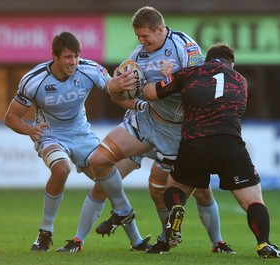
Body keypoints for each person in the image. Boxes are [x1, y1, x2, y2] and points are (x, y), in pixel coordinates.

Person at [60, 6, 234, 254]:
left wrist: (174, 78)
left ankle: (216, 242)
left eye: (145, 36)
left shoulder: (185, 46)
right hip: (146, 121)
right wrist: (115, 86)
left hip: (176, 132)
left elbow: (201, 87)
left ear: (160, 29)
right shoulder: (138, 56)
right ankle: (120, 212)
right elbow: (117, 95)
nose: (142, 42)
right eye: (138, 37)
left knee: (187, 192)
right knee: (99, 161)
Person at [4, 31, 149, 252]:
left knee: (107, 182)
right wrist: (29, 130)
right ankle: (45, 232)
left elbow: (114, 93)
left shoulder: (89, 69)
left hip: (82, 134)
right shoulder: (33, 80)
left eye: (76, 56)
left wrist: (139, 103)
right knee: (61, 169)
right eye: (68, 57)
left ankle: (137, 241)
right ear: (54, 56)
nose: (73, 62)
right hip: (51, 134)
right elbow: (11, 117)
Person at [141, 43, 280, 259]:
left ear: (207, 59)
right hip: (229, 143)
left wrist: (147, 81)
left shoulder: (189, 72)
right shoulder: (240, 80)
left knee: (175, 188)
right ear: (232, 63)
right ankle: (263, 243)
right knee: (254, 200)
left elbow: (152, 94)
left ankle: (176, 209)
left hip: (195, 142)